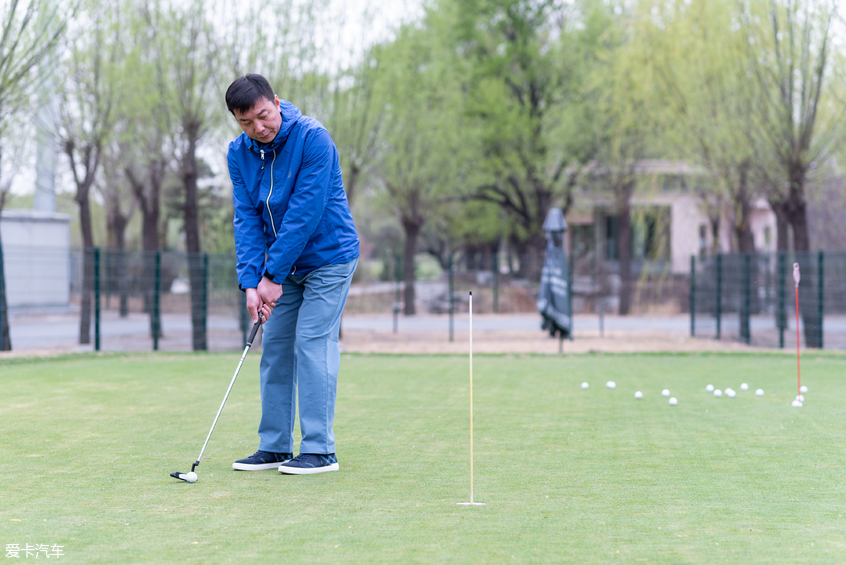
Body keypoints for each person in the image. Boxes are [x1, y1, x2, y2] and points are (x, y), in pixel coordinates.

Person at [225, 74, 359, 475]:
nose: (258, 129)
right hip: (280, 268)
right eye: (246, 123)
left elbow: (305, 214)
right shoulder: (239, 154)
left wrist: (272, 276)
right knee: (277, 348)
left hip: (328, 257)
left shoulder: (313, 139)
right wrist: (251, 282)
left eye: (263, 116)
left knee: (312, 341)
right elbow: (246, 219)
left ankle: (320, 450)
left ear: (277, 103)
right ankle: (276, 446)